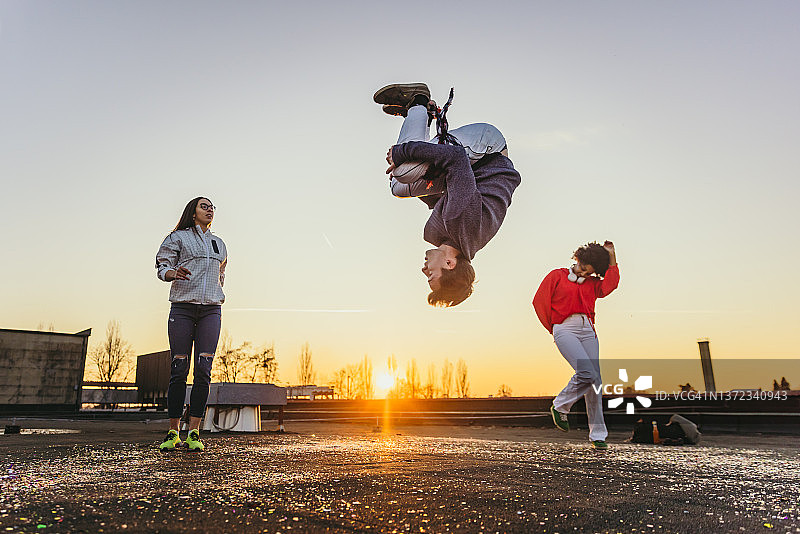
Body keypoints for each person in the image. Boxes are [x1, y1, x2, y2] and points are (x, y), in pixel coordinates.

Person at [374, 83, 522, 307]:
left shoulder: (443, 235)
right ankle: (418, 102)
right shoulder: (463, 222)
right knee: (404, 169)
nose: (424, 270)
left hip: (469, 167)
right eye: (430, 276)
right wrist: (401, 152)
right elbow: (455, 158)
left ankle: (417, 114)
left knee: (399, 186)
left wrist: (427, 173)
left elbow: (439, 195)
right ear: (450, 263)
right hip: (488, 150)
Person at [155, 197, 227, 452]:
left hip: (211, 311)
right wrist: (171, 273)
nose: (209, 210)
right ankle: (173, 431)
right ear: (192, 212)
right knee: (179, 369)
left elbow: (221, 276)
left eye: (212, 207)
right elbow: (162, 265)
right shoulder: (178, 238)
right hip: (183, 309)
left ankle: (194, 431)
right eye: (203, 206)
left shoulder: (219, 244)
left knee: (204, 371)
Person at [532, 241, 619, 450]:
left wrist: (612, 256)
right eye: (586, 267)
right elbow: (539, 302)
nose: (587, 273)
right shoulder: (557, 276)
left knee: (596, 381)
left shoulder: (592, 284)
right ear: (581, 258)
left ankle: (598, 435)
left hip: (588, 329)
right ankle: (560, 405)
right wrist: (554, 327)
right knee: (587, 373)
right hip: (564, 328)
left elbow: (611, 284)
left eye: (592, 272)